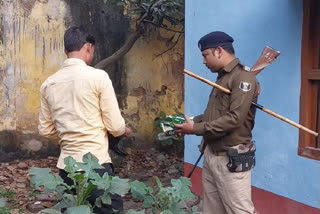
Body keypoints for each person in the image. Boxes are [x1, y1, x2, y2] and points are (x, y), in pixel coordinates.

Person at [38, 26, 131, 213]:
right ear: (89, 47)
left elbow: (45, 130)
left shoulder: (49, 84)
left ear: (66, 51)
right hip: (96, 164)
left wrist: (69, 130)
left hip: (67, 167)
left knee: (74, 209)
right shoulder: (98, 77)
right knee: (109, 209)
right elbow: (115, 126)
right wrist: (123, 131)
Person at [175, 31, 259, 214]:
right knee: (211, 209)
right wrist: (187, 122)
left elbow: (234, 119)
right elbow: (211, 115)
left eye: (205, 55)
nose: (204, 61)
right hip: (212, 153)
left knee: (240, 210)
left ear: (219, 51)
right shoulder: (223, 77)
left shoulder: (243, 78)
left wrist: (194, 129)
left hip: (231, 157)